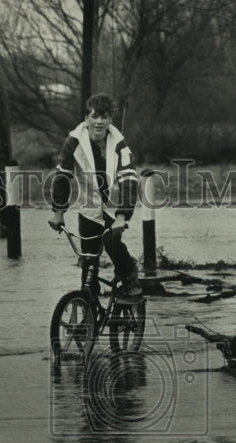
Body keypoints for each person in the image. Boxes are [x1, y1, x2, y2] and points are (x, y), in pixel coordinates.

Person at [49, 93, 141, 296]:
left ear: (110, 119)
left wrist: (122, 215)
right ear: (86, 118)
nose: (99, 122)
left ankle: (128, 274)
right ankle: (88, 310)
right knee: (88, 260)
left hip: (114, 204)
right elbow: (63, 176)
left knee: (111, 243)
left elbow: (129, 181)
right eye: (94, 116)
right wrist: (58, 212)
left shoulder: (120, 145)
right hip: (89, 205)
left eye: (104, 117)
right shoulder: (73, 142)